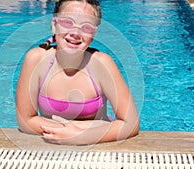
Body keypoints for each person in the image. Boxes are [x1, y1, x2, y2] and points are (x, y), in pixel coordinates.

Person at [16, 0, 139, 145]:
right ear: (54, 26)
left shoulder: (101, 64)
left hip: (99, 145)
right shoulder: (36, 59)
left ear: (93, 34)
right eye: (67, 22)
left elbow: (131, 123)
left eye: (86, 27)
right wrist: (73, 131)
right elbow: (25, 120)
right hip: (58, 144)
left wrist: (81, 136)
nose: (75, 33)